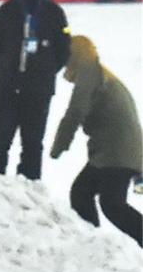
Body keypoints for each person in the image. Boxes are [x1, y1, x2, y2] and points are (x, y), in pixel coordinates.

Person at [0, 0, 71, 180]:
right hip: (8, 87)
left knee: (32, 145)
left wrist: (43, 69)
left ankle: (30, 194)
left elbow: (64, 51)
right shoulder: (7, 11)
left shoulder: (54, 14)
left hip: (38, 90)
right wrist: (9, 65)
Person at [50, 36, 142, 247]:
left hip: (117, 151)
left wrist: (59, 145)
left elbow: (76, 111)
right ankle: (93, 246)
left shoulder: (89, 72)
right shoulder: (99, 72)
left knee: (112, 204)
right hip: (114, 150)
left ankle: (95, 245)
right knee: (81, 192)